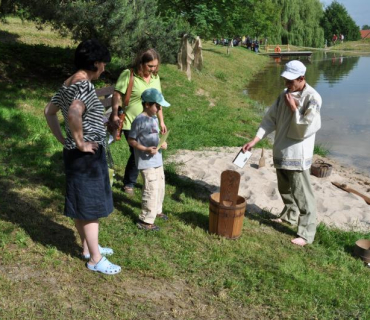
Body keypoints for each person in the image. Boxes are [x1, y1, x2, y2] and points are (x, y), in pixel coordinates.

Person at [44, 39, 121, 274]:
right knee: (90, 206)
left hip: (76, 155)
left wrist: (64, 140)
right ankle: (95, 259)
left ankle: (89, 248)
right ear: (95, 63)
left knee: (82, 204)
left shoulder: (69, 82)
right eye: (104, 64)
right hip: (86, 157)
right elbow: (74, 113)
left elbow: (49, 111)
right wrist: (79, 143)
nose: (105, 68)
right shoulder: (83, 85)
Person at [242, 60, 322, 246]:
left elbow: (306, 128)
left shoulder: (313, 98)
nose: (286, 84)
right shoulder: (283, 95)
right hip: (281, 150)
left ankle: (306, 233)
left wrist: (294, 109)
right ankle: (289, 217)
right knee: (285, 189)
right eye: (285, 80)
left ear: (301, 78)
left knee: (302, 194)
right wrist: (255, 140)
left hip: (298, 154)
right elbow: (270, 119)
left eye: (290, 81)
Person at [109, 49, 167, 196]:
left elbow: (158, 100)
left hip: (150, 122)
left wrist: (161, 121)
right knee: (137, 151)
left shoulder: (155, 78)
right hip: (131, 121)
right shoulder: (129, 74)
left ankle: (135, 181)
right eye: (150, 66)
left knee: (140, 152)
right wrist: (115, 114)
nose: (153, 69)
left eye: (155, 66)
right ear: (141, 63)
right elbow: (117, 95)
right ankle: (130, 183)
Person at [128, 88, 171, 231]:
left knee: (160, 186)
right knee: (151, 189)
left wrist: (161, 142)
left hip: (157, 160)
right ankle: (145, 220)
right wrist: (146, 149)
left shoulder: (153, 118)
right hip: (146, 161)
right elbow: (131, 140)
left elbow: (154, 136)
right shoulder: (139, 120)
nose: (159, 109)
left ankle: (157, 211)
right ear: (147, 104)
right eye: (157, 106)